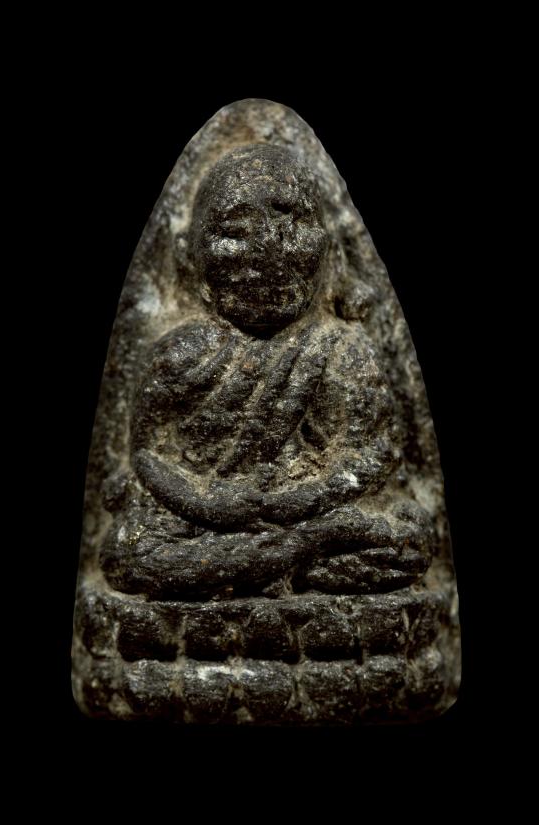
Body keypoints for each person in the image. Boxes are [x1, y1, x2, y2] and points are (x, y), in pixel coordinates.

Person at [100, 144, 433, 600]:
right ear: (186, 255)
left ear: (328, 249)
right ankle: (287, 563)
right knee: (127, 551)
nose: (266, 248)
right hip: (199, 522)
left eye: (290, 224)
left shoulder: (341, 349)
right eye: (235, 231)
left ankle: (273, 562)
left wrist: (298, 502)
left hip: (309, 517)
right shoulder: (179, 353)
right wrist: (208, 504)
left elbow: (375, 455)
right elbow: (147, 454)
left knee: (408, 541)